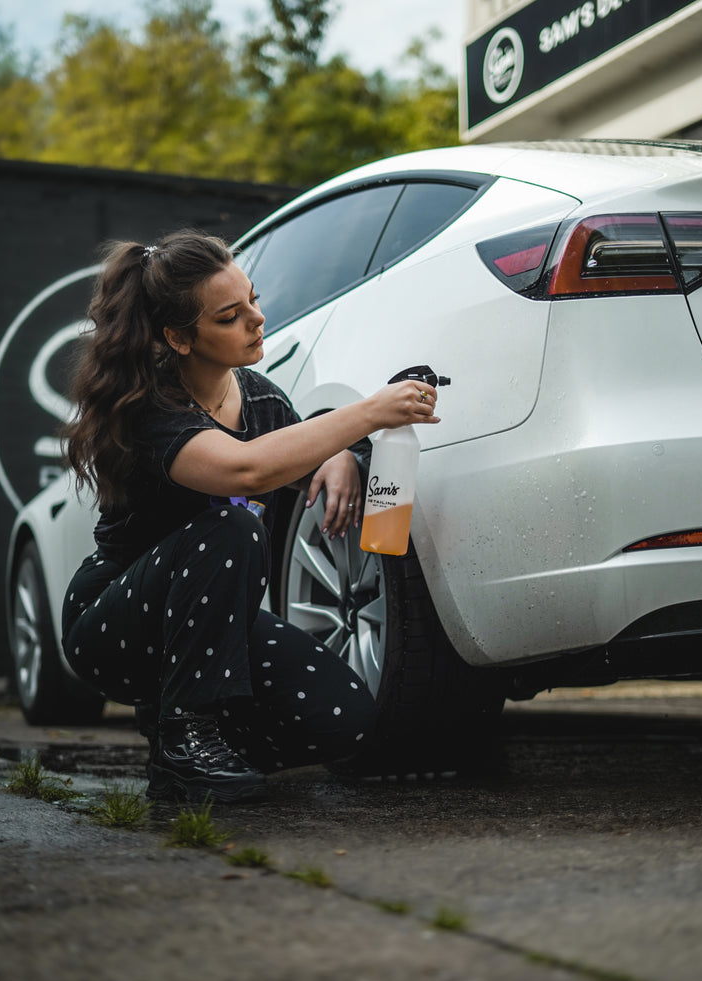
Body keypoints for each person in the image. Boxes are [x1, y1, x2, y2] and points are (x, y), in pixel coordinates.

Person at [61, 229, 439, 805]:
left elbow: (291, 452)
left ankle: (183, 755)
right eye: (231, 316)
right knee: (232, 524)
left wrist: (339, 456)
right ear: (179, 338)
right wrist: (364, 414)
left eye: (254, 301)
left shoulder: (259, 399)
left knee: (347, 719)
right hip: (115, 624)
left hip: (213, 632)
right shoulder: (153, 409)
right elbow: (246, 472)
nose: (257, 320)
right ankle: (188, 736)